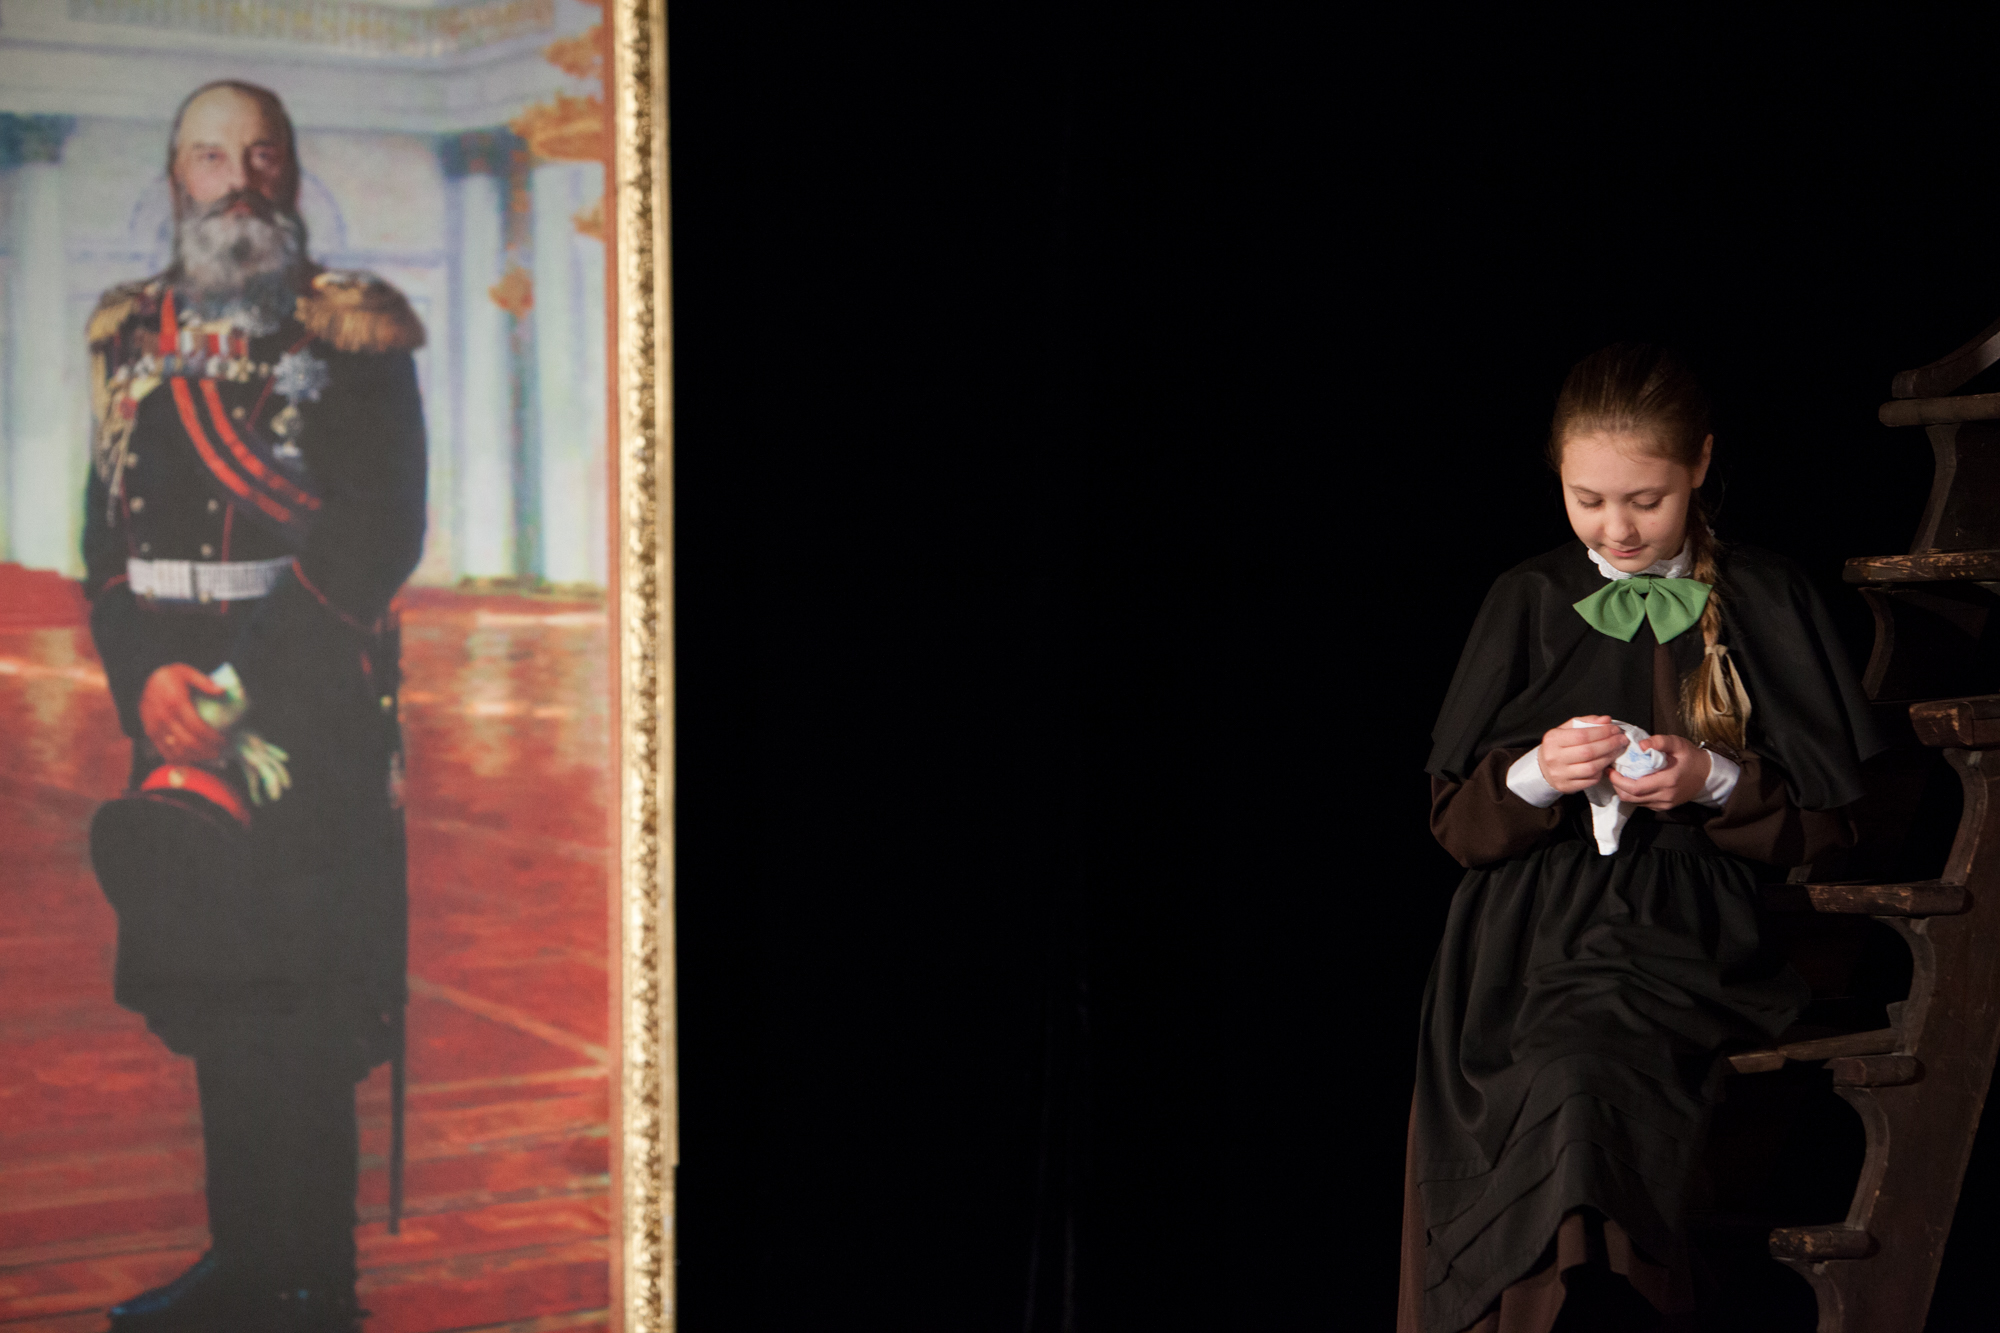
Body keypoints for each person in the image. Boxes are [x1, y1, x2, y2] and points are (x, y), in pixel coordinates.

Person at [1396, 344, 1881, 1332]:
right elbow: (1455, 823)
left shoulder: (1762, 596)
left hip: (1683, 925)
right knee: (1532, 1084)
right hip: (1519, 938)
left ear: (1699, 463)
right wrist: (1537, 771)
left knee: (1584, 1078)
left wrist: (1712, 780)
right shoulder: (1527, 598)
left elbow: (1832, 824)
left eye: (1643, 501)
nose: (1615, 529)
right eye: (1587, 500)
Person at [78, 80, 425, 1332]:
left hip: (301, 714)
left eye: (262, 156)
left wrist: (235, 692)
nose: (239, 181)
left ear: (289, 171)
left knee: (301, 1007)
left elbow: (379, 532)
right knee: (223, 997)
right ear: (179, 177)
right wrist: (144, 679)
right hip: (169, 713)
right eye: (213, 158)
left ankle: (314, 1285)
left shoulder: (354, 334)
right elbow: (104, 537)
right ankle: (243, 1263)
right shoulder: (132, 334)